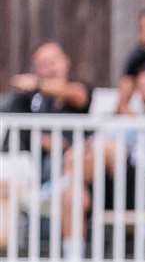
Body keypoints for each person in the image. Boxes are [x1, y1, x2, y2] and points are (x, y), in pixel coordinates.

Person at [4, 40, 90, 180]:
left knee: (55, 162)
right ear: (36, 70)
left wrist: (37, 83)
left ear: (66, 61)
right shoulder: (30, 98)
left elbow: (77, 95)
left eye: (53, 61)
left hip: (68, 168)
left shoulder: (78, 88)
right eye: (43, 65)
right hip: (30, 166)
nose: (50, 69)